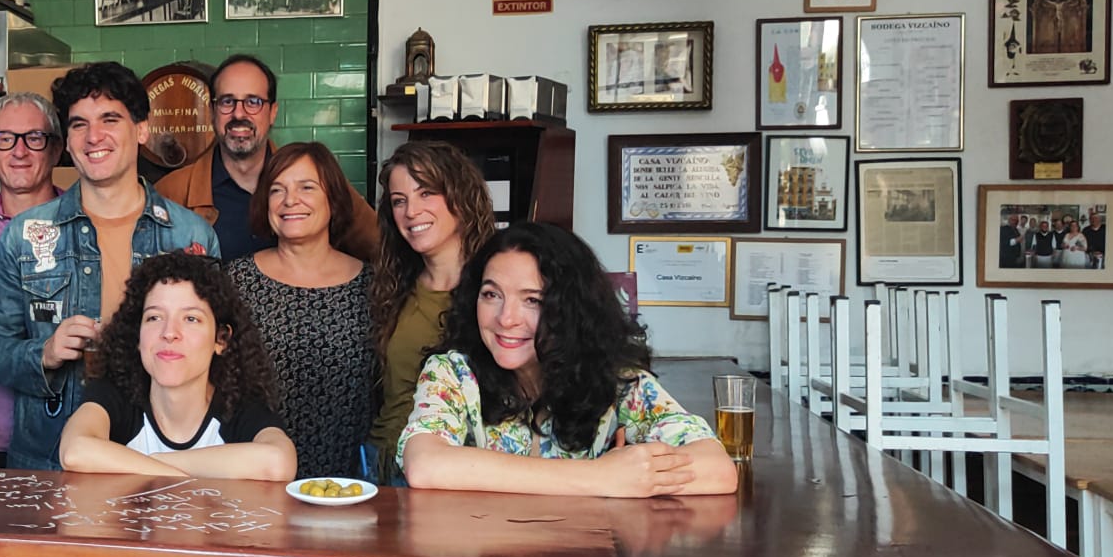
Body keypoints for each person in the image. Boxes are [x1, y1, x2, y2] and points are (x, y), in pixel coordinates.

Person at [0, 62, 219, 470]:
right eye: (79, 124)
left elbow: (217, 352)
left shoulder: (189, 236)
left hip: (161, 461)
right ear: (67, 142)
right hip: (51, 463)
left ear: (141, 130)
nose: (94, 137)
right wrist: (45, 353)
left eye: (110, 119)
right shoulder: (26, 234)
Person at [398, 223, 738, 498]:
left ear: (571, 310)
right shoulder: (453, 373)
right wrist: (602, 478)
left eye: (532, 300)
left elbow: (717, 470)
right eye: (491, 295)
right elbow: (425, 464)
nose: (506, 318)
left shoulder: (618, 382)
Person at [60, 252, 295, 479]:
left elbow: (278, 462)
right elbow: (75, 451)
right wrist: (183, 474)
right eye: (154, 317)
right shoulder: (114, 394)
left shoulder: (239, 407)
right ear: (137, 338)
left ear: (221, 340)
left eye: (191, 318)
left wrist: (151, 463)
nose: (169, 333)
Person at [226, 143, 374, 478]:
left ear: (332, 198)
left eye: (306, 187)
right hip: (258, 472)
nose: (290, 200)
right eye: (277, 190)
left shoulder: (372, 284)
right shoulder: (235, 281)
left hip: (349, 481)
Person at [157, 54, 380, 263]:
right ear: (212, 112)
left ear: (273, 112)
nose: (239, 113)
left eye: (253, 102)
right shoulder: (172, 193)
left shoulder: (319, 181)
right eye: (227, 102)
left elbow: (382, 249)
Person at [367, 141, 497, 481]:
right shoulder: (393, 285)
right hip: (381, 467)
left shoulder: (498, 289)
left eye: (426, 193)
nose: (411, 211)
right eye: (399, 200)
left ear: (461, 196)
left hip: (459, 473)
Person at [0, 92, 64, 467]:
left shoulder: (84, 224)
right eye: (4, 139)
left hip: (67, 435)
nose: (18, 151)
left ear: (55, 150)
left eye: (33, 138)